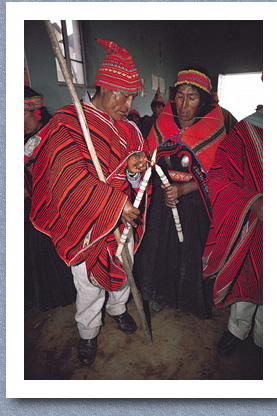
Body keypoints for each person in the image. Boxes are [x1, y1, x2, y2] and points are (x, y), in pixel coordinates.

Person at [30, 38, 150, 366]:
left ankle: (118, 310)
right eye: (122, 95)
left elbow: (140, 175)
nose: (128, 104)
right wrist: (113, 203)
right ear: (104, 86)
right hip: (84, 221)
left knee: (124, 269)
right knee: (88, 284)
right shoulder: (68, 124)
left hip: (123, 220)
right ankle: (88, 331)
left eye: (131, 97)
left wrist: (136, 168)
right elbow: (66, 179)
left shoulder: (131, 131)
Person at [134, 68, 227, 318]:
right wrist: (157, 179)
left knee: (189, 253)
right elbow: (150, 160)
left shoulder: (215, 127)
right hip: (164, 202)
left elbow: (217, 174)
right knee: (160, 250)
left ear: (203, 100)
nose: (184, 104)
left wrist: (185, 188)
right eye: (181, 96)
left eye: (192, 97)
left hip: (195, 203)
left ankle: (188, 300)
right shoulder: (161, 122)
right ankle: (160, 294)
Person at [203, 106, 263, 356]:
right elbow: (218, 176)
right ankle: (238, 329)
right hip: (253, 221)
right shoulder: (247, 130)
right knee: (249, 274)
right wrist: (252, 201)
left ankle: (266, 339)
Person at [24, 87, 76, 312]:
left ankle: (62, 293)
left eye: (22, 116)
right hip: (28, 204)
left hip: (52, 204)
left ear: (36, 112)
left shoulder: (52, 133)